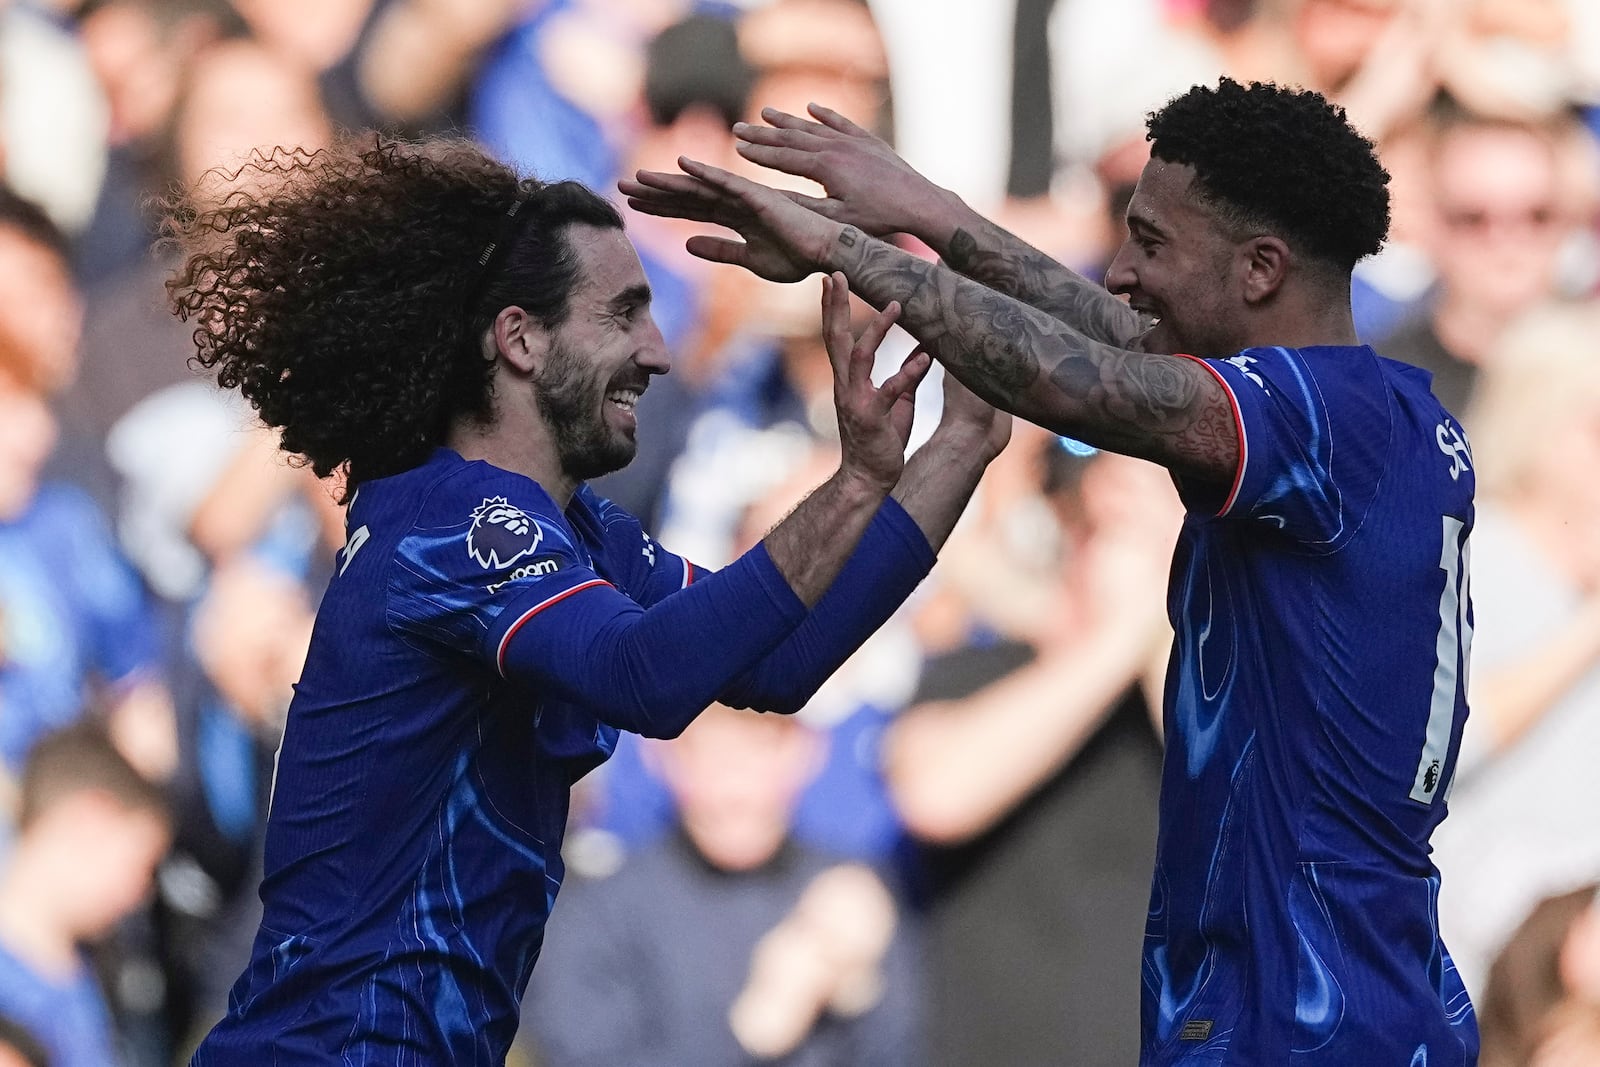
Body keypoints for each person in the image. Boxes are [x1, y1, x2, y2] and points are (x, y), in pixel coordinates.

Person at [624, 75, 1480, 1064]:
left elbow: (1088, 381)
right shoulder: (1371, 409)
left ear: (1257, 269)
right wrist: (932, 215)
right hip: (1321, 985)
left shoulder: (1321, 418)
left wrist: (847, 253)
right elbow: (1109, 337)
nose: (1118, 272)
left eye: (1151, 243)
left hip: (1312, 1011)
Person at [163, 136, 1009, 1064]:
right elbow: (646, 676)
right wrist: (853, 486)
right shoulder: (459, 523)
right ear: (521, 338)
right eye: (624, 314)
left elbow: (776, 660)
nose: (657, 352)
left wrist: (960, 442)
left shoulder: (573, 528)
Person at [521, 702, 921, 1066]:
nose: (734, 788)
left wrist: (859, 989)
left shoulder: (851, 891)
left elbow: (902, 1049)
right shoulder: (595, 911)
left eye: (758, 750)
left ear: (806, 752)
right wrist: (753, 1028)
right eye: (709, 755)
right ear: (661, 757)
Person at [0, 722, 172, 1067]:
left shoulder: (85, 971)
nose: (140, 893)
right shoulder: (13, 996)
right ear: (89, 822)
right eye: (140, 865)